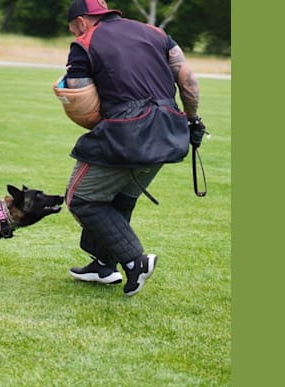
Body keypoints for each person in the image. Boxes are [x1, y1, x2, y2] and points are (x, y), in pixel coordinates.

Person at [56, 0, 206, 296]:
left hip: (127, 132)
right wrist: (192, 121)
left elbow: (79, 97)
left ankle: (135, 261)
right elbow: (188, 81)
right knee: (119, 201)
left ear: (82, 21)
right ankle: (104, 266)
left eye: (72, 27)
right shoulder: (155, 32)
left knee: (82, 199)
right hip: (171, 131)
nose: (73, 33)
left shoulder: (84, 42)